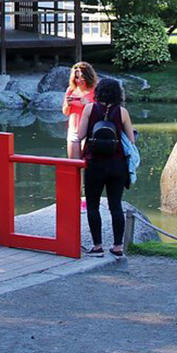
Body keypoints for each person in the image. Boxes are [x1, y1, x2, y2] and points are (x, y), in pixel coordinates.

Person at [78, 78, 136, 258]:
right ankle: (117, 246)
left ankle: (97, 246)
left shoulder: (89, 109)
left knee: (93, 205)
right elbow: (131, 140)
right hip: (117, 164)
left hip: (94, 163)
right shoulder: (122, 112)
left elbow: (79, 136)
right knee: (115, 205)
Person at [61, 62, 98, 160]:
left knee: (88, 162)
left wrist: (88, 104)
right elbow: (65, 112)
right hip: (73, 130)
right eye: (77, 77)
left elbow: (100, 111)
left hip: (89, 130)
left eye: (82, 77)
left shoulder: (95, 90)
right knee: (73, 163)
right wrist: (68, 104)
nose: (79, 80)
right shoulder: (70, 90)